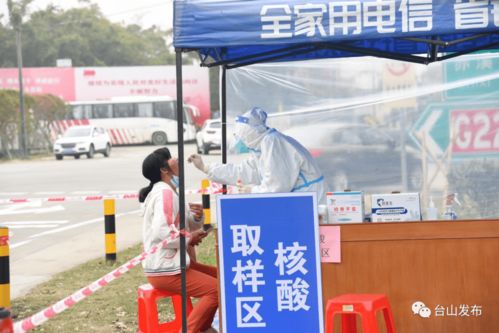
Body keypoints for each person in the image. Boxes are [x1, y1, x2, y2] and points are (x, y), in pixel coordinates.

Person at [139, 147, 218, 333]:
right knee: (215, 290)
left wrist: (196, 219)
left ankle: (203, 328)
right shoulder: (164, 193)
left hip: (174, 263)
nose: (175, 159)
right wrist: (190, 238)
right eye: (170, 158)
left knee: (220, 277)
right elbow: (163, 232)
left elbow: (184, 225)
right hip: (166, 269)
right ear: (164, 170)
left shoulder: (171, 191)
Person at [188, 107, 326, 204]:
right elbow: (242, 172)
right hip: (301, 200)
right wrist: (205, 167)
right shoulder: (261, 149)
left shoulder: (273, 142)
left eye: (241, 138)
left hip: (309, 199)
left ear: (249, 135)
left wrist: (252, 190)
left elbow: (277, 187)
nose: (239, 143)